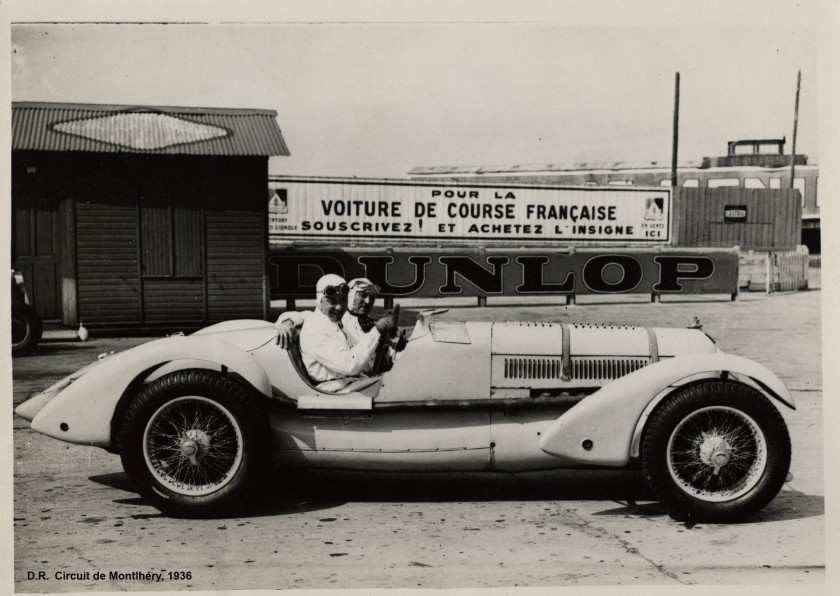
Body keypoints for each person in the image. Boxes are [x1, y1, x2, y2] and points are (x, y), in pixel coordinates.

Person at [277, 274, 399, 392]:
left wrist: (391, 350)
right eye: (332, 301)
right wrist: (287, 321)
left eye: (342, 300)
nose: (339, 307)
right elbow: (350, 365)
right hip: (336, 389)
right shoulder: (315, 328)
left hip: (354, 382)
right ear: (319, 301)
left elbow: (367, 358)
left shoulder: (336, 321)